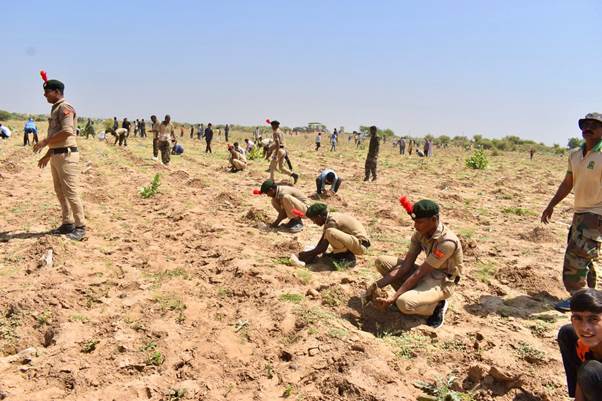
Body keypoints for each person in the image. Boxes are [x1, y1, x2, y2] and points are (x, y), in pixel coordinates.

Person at [364, 199, 463, 328]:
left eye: (420, 222)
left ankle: (437, 306)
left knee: (403, 303)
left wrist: (394, 297)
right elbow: (406, 265)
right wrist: (376, 286)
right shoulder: (420, 234)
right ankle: (416, 295)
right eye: (415, 221)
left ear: (433, 220)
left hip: (443, 281)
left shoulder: (447, 242)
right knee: (382, 262)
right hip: (428, 273)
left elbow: (420, 273)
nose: (416, 226)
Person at [543, 113, 602, 312]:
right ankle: (591, 298)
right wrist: (552, 204)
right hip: (579, 213)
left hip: (596, 214)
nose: (588, 128)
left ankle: (578, 300)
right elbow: (568, 182)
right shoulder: (575, 154)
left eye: (594, 125)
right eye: (585, 124)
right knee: (586, 257)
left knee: (575, 259)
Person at [33, 77, 86, 241]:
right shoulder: (55, 108)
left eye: (47, 92)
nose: (44, 95)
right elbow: (57, 136)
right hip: (57, 154)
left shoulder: (65, 107)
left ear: (56, 92)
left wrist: (45, 142)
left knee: (71, 192)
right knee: (60, 191)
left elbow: (67, 131)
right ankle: (68, 223)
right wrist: (48, 154)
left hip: (66, 155)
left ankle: (80, 227)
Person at [557, 288, 602, 401]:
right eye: (578, 318)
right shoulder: (580, 343)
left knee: (590, 370)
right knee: (567, 333)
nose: (584, 328)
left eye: (593, 319)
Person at [298, 203, 370, 267]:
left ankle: (347, 258)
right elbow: (323, 240)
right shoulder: (329, 218)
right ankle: (342, 254)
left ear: (319, 216)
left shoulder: (332, 221)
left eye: (314, 219)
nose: (314, 223)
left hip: (360, 245)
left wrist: (306, 254)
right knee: (329, 233)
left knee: (330, 232)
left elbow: (323, 248)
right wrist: (312, 254)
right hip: (355, 242)